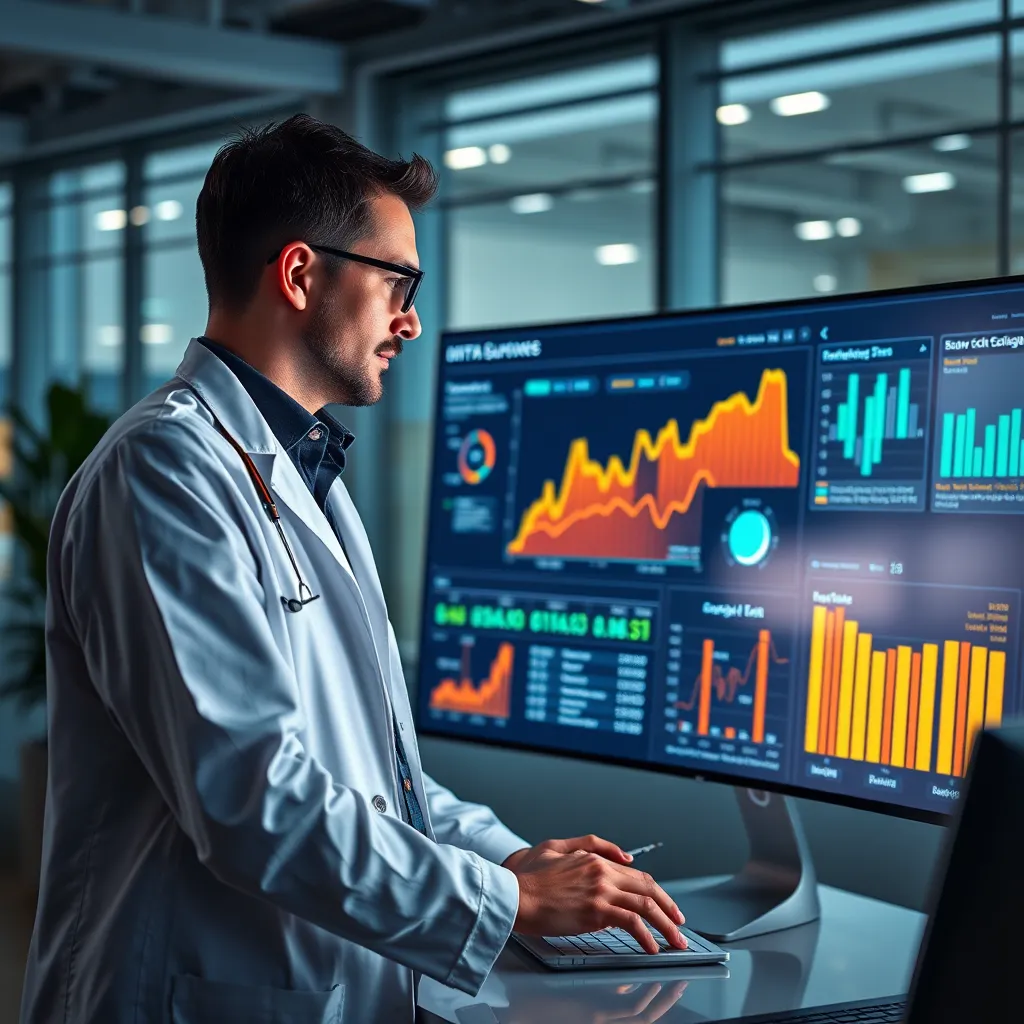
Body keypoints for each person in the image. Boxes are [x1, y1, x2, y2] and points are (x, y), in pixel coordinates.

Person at [19, 114, 687, 1024]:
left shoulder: (303, 472)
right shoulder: (161, 470)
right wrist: (507, 903)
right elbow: (249, 796)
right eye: (397, 282)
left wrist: (505, 864)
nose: (410, 320)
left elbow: (374, 778)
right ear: (300, 274)